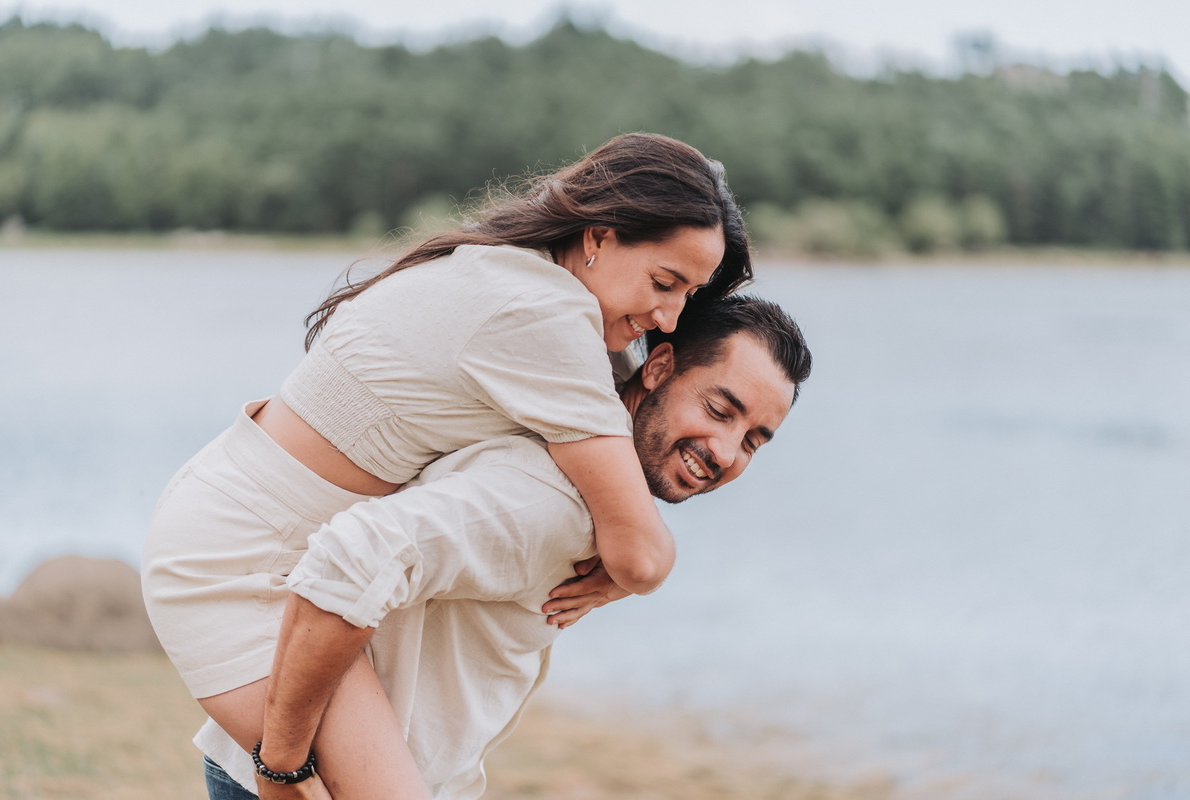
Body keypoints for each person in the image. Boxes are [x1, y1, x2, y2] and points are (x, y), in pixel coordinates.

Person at [142, 134, 750, 794]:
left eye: (689, 294)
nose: (669, 318)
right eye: (664, 283)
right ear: (598, 237)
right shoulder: (543, 312)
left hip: (289, 543)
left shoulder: (521, 278)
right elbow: (642, 555)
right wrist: (623, 573)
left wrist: (627, 553)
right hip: (237, 556)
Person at [192, 294, 813, 800]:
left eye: (753, 440)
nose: (725, 452)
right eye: (719, 409)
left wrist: (634, 569)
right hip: (318, 779)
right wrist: (281, 768)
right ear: (657, 368)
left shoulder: (577, 425)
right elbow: (349, 559)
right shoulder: (554, 501)